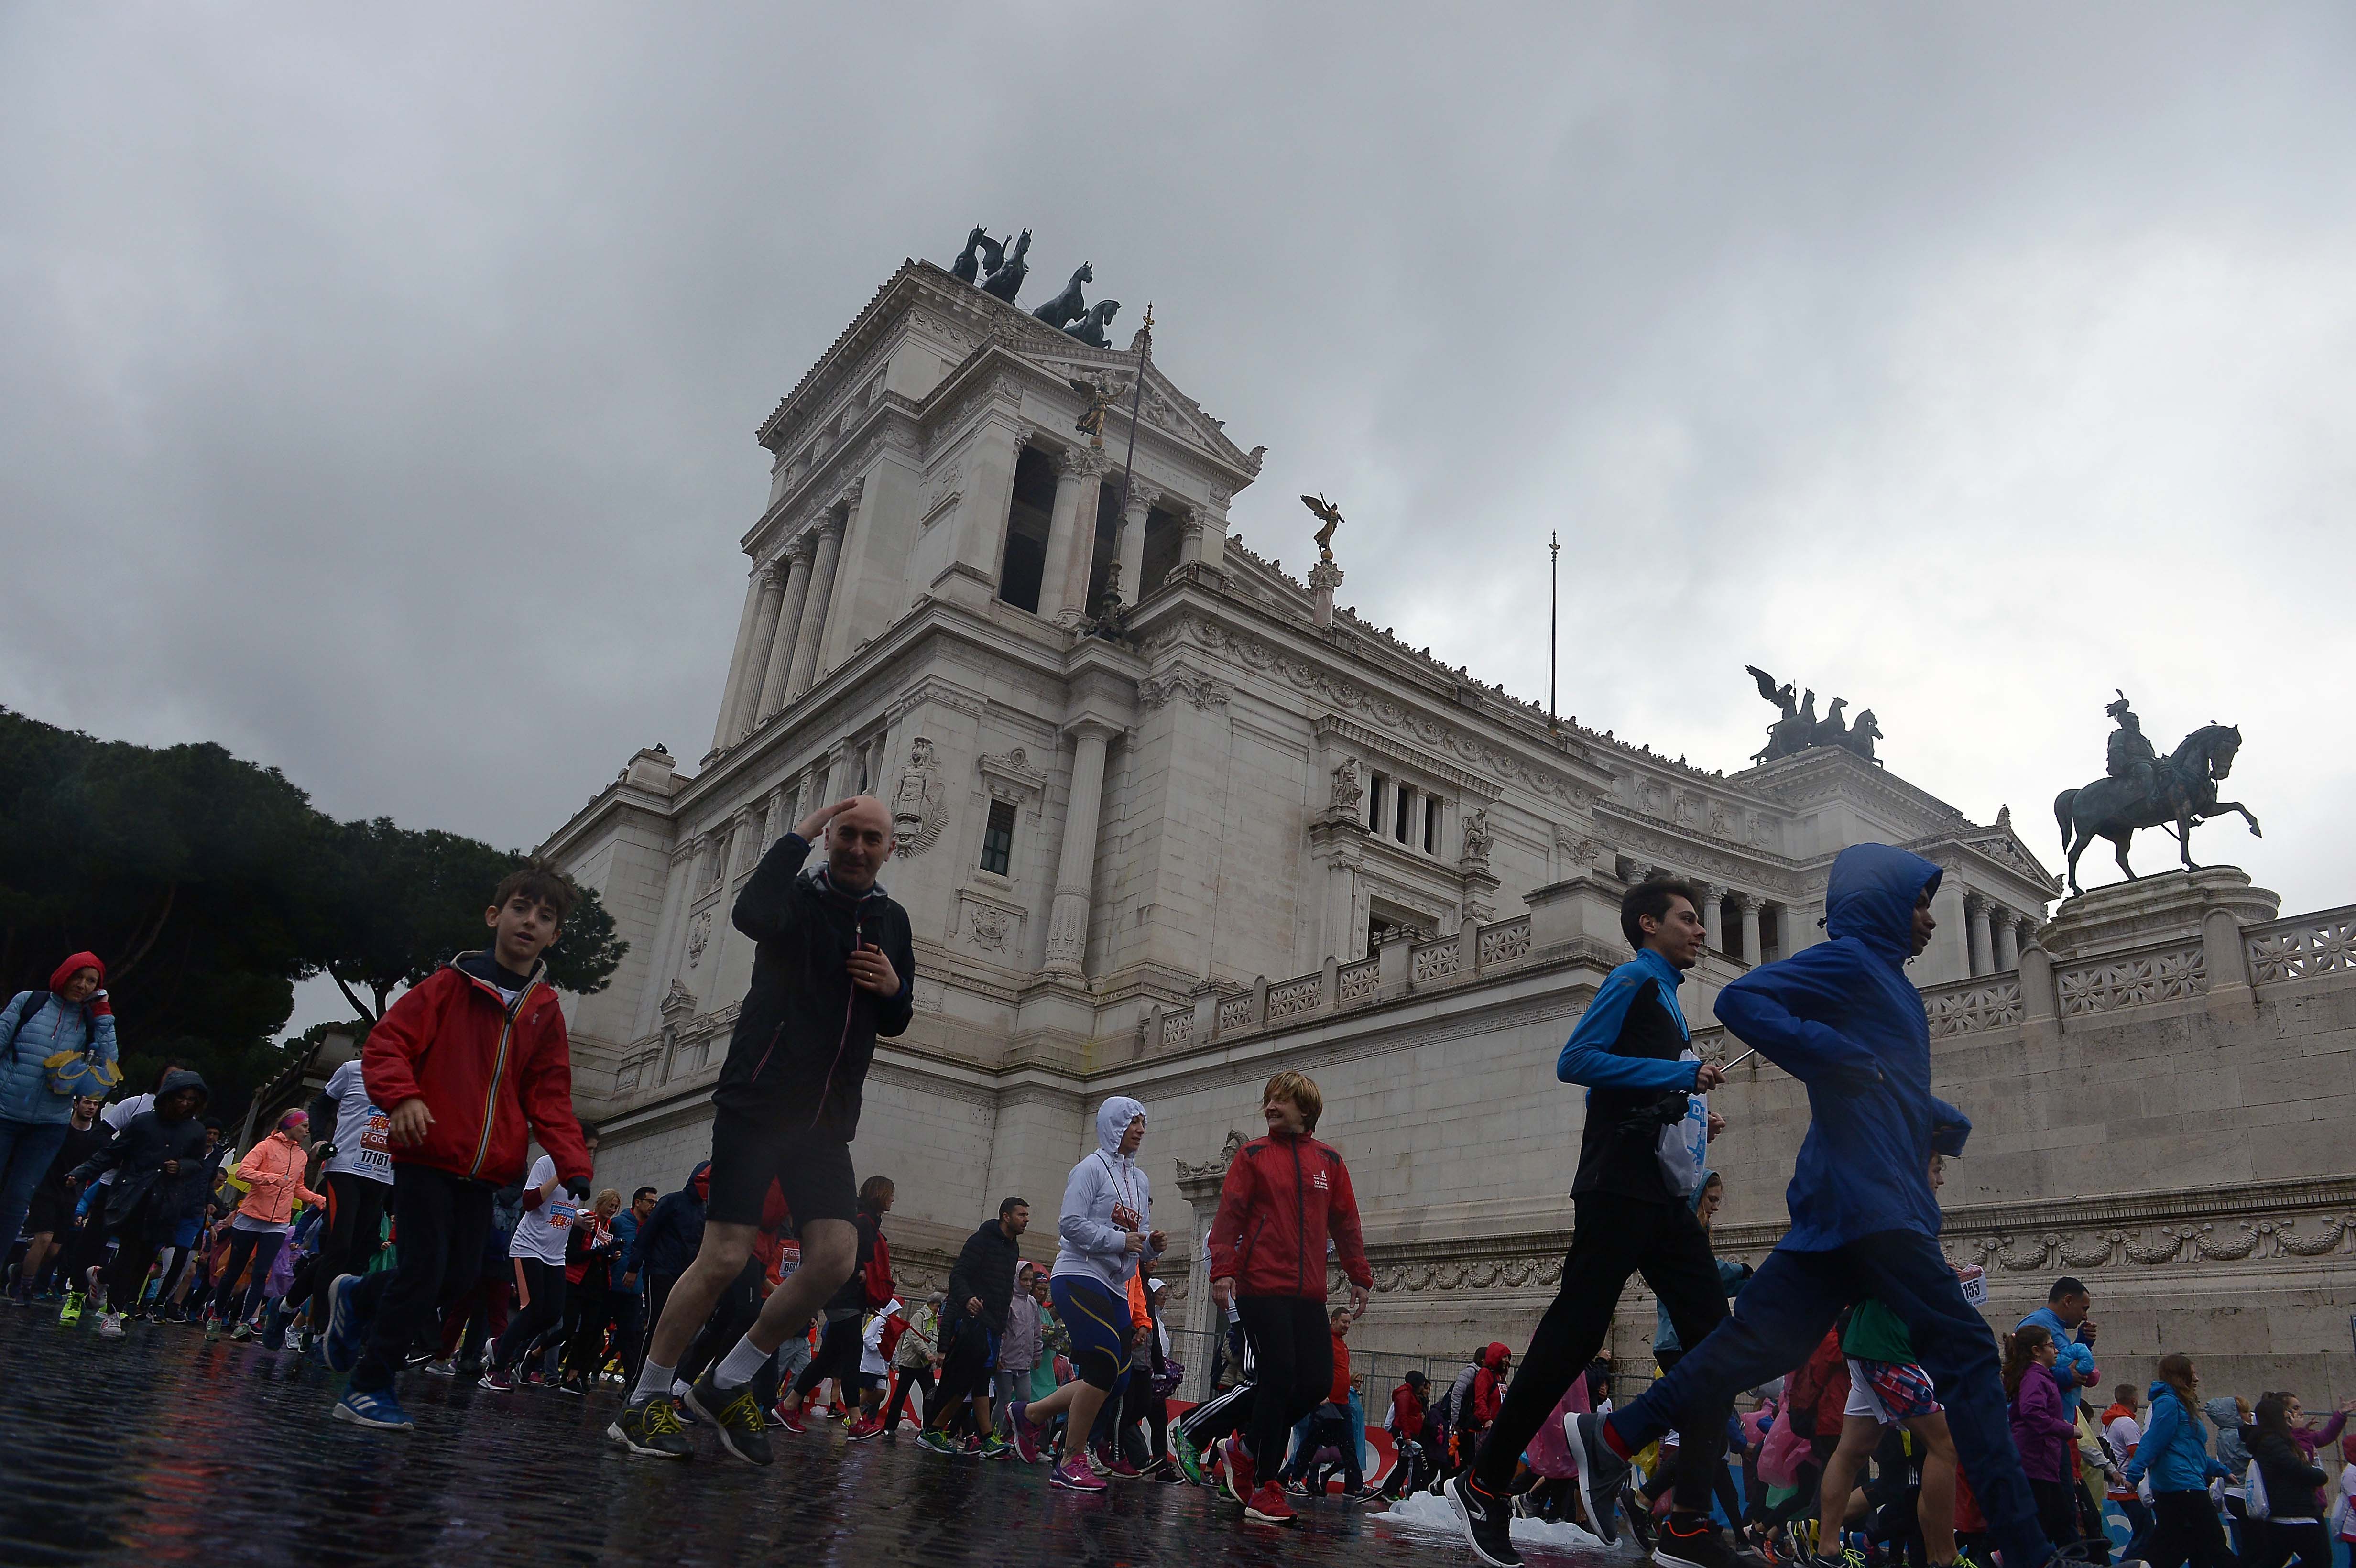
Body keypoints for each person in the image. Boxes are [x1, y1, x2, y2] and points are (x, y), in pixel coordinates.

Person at [1555, 845, 2051, 1568]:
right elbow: (1741, 1001)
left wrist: (1935, 1119)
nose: (1929, 921)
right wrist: (1832, 1058)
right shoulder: (1853, 961)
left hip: (1845, 1206)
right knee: (1970, 1355)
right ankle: (2033, 1551)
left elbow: (1879, 1082)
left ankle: (1613, 1435)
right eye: (1918, 905)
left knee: (1755, 1346)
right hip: (1873, 1203)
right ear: (1882, 906)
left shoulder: (1890, 983)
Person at [608, 795, 914, 1464]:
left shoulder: (892, 921)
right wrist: (799, 834)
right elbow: (750, 914)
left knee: (835, 1258)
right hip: (760, 1099)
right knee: (723, 1256)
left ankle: (727, 1380)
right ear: (830, 839)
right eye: (846, 835)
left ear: (890, 847)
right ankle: (644, 1399)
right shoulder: (796, 899)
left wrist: (893, 987)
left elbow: (896, 1018)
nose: (858, 848)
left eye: (872, 838)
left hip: (825, 1119)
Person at [1448, 878, 1736, 1568]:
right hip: (1617, 1186)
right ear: (1648, 925)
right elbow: (1576, 1061)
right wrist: (1674, 1078)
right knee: (1573, 1335)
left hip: (1657, 1193)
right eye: (1688, 918)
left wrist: (1688, 1107)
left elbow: (1634, 1086)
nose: (1701, 930)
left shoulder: (1667, 998)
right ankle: (1483, 1481)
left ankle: (1688, 1524)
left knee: (1721, 1345)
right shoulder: (1633, 979)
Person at [320, 866, 594, 1430]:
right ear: (494, 916)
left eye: (545, 916)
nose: (530, 921)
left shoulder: (544, 1009)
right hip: (426, 1152)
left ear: (554, 936)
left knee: (457, 1277)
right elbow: (387, 1043)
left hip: (486, 1170)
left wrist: (573, 1162)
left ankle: (357, 1297)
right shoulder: (448, 985)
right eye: (520, 908)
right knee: (423, 1271)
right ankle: (367, 1385)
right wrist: (402, 1098)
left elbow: (549, 1093)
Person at [1204, 1071, 1372, 1527]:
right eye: (1269, 1100)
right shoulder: (1253, 1156)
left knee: (1316, 1383)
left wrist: (1359, 1275)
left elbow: (1346, 1222)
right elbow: (1229, 1217)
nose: (1271, 1107)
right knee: (1278, 1375)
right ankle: (1265, 1484)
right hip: (1260, 1287)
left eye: (1282, 1100)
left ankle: (1245, 1448)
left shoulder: (1330, 1162)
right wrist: (1222, 1270)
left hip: (1309, 1293)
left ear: (1306, 1109)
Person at [1805, 1155, 1963, 1568]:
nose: (1941, 1180)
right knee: (1945, 1446)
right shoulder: (1903, 1212)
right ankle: (1945, 1558)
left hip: (1868, 1344)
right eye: (1937, 1170)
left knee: (1852, 1450)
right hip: (1887, 1346)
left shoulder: (1887, 1210)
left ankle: (1827, 1551)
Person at [1003, 1096, 1166, 1493]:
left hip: (1115, 1285)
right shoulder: (1089, 1169)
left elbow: (1137, 1241)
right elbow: (1071, 1224)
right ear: (1113, 1126)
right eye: (1133, 1123)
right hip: (1078, 1274)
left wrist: (1151, 1247)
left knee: (1118, 1379)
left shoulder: (1140, 1181)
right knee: (1105, 1365)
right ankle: (1071, 1458)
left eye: (1143, 1124)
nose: (1140, 1130)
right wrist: (1120, 1241)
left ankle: (1030, 1415)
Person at [65, 1068, 209, 1338]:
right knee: (129, 1255)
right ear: (169, 1096)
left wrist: (182, 1166)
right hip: (134, 1197)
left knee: (143, 1261)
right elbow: (112, 1152)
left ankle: (101, 1277)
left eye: (192, 1100)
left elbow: (199, 1163)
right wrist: (81, 1173)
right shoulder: (143, 1122)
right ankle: (113, 1313)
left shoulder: (196, 1131)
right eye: (181, 1098)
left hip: (165, 1202)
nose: (185, 1104)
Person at [0, 954, 120, 1263]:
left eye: (91, 981)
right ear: (64, 974)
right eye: (78, 976)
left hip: (49, 1124)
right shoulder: (29, 1002)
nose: (82, 985)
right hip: (4, 1113)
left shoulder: (91, 1021)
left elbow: (109, 1063)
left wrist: (103, 1015)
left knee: (18, 1199)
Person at [922, 1196, 1029, 1456]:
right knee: (966, 1381)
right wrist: (968, 1299)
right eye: (1021, 1215)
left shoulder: (1013, 1249)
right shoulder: (980, 1241)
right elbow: (958, 1275)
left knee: (980, 1382)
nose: (1026, 1220)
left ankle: (984, 1438)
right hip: (974, 1322)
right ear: (1006, 1216)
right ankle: (934, 1430)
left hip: (993, 1325)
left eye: (1027, 1215)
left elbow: (1004, 1290)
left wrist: (1001, 1324)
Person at [208, 1111, 325, 1336]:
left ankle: (244, 1323)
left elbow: (297, 1187)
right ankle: (217, 1316)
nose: (307, 1131)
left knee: (261, 1273)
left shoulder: (301, 1156)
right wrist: (272, 1179)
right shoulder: (265, 1147)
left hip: (278, 1222)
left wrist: (318, 1199)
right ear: (290, 1125)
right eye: (304, 1126)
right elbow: (243, 1172)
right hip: (251, 1217)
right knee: (234, 1270)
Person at [303, 1052, 394, 1339]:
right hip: (344, 1169)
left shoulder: (417, 1083)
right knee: (339, 1247)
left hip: (382, 1177)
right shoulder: (353, 1070)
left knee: (358, 1255)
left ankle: (289, 1304)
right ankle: (321, 1330)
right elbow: (319, 1105)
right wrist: (319, 1139)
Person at [480, 1143, 584, 1389]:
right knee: (534, 1307)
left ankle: (501, 1343)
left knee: (553, 1314)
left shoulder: (581, 1174)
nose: (588, 1154)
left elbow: (562, 1210)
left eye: (592, 1150)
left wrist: (581, 1221)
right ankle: (497, 1369)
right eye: (587, 1147)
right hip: (529, 1247)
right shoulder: (546, 1164)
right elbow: (529, 1202)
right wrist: (559, 1176)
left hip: (555, 1254)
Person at [2122, 1355, 2235, 1568]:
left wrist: (2220, 1470)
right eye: (2192, 1374)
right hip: (2182, 1485)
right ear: (2179, 1376)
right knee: (2213, 1542)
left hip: (2181, 1484)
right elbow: (2153, 1441)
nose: (2197, 1379)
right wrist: (2134, 1475)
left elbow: (2190, 1453)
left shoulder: (2180, 1404)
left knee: (2178, 1546)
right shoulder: (2169, 1403)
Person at [12, 1092, 110, 1305]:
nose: (91, 1107)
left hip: (71, 1196)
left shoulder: (95, 1137)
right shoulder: (61, 1128)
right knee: (43, 1240)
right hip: (46, 1189)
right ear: (76, 1104)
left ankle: (20, 1271)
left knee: (53, 1250)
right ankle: (25, 1289)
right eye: (87, 1103)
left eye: (95, 1104)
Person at [2007, 1326, 2082, 1553]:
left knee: (2054, 1522)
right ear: (2036, 1351)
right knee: (2051, 1522)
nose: (2057, 1351)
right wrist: (2067, 1429)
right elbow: (2032, 1412)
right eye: (2051, 1346)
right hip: (2036, 1460)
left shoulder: (2037, 1377)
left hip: (2041, 1461)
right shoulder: (2035, 1377)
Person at [2248, 1394, 2331, 1568]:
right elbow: (2299, 1467)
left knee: (2273, 1561)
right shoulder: (2273, 1443)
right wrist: (2320, 1475)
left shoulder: (2271, 1442)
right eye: (2287, 1418)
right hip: (2294, 1514)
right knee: (2320, 1562)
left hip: (2291, 1513)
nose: (2291, 1421)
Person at [2103, 1384, 2152, 1556]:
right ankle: (2128, 1563)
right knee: (2145, 1534)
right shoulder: (2127, 1424)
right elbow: (2137, 1455)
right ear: (2134, 1400)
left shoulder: (2111, 1423)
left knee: (2143, 1533)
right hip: (2130, 1487)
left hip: (2119, 1485)